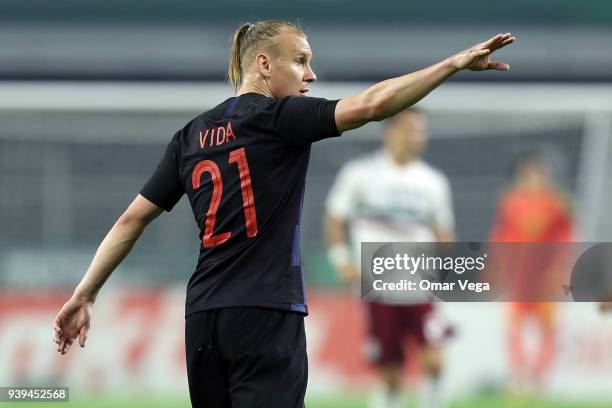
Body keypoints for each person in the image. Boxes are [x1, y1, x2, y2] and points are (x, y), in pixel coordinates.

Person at [52, 20, 514, 408]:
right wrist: (453, 64)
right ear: (263, 64)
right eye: (300, 60)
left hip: (203, 317)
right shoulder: (279, 119)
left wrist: (85, 294)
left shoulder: (190, 136)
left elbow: (131, 220)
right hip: (266, 315)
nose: (310, 75)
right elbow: (373, 105)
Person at [325, 108, 454, 408]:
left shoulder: (433, 182)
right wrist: (341, 258)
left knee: (435, 360)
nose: (417, 137)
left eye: (421, 131)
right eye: (410, 129)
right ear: (391, 132)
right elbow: (334, 216)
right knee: (391, 371)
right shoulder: (360, 174)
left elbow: (443, 232)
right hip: (378, 282)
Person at [489, 151, 574, 391]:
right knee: (514, 326)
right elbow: (501, 236)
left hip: (545, 277)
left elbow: (566, 238)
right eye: (527, 174)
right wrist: (497, 266)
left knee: (547, 328)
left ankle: (539, 375)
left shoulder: (557, 203)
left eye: (537, 173)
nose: (532, 179)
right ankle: (519, 372)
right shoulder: (510, 202)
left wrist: (560, 269)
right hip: (518, 278)